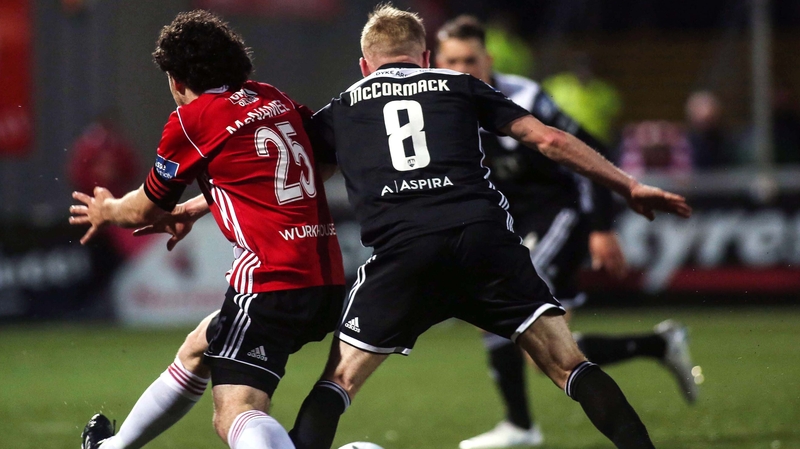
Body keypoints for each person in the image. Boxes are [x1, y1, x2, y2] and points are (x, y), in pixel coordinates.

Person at [286, 5, 691, 449]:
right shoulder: (460, 86)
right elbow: (551, 140)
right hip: (484, 242)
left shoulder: (340, 109)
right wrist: (628, 186)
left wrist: (198, 206)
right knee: (568, 364)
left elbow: (290, 177)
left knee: (340, 379)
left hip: (404, 254)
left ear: (364, 67)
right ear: (426, 59)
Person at [69, 10, 345, 449]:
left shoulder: (193, 119)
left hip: (271, 281)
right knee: (201, 345)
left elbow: (143, 209)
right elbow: (316, 166)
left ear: (177, 80)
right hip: (327, 280)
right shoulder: (272, 97)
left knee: (236, 411)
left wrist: (107, 209)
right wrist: (202, 204)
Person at [434, 16, 699, 449]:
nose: (463, 70)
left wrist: (600, 227)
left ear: (489, 59)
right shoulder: (439, 106)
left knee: (498, 301)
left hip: (559, 215)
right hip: (512, 225)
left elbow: (586, 149)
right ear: (436, 62)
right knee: (545, 350)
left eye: (471, 60)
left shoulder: (523, 96)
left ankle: (520, 426)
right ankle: (658, 344)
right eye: (453, 61)